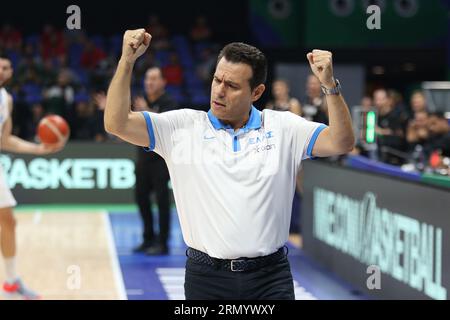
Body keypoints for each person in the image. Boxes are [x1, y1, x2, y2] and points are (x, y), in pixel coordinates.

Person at [104, 29, 354, 300]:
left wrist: (329, 85)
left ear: (256, 92)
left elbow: (341, 142)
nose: (220, 91)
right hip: (206, 279)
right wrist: (126, 61)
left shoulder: (284, 127)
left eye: (232, 86)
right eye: (217, 80)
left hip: (269, 279)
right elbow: (116, 123)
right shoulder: (181, 126)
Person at [0, 55, 65, 299]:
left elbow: (4, 140)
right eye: (0, 66)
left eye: (7, 67)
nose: (3, 70)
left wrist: (38, 149)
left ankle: (11, 282)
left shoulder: (6, 100)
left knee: (8, 221)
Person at [132, 67, 176, 255]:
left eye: (154, 79)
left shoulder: (169, 102)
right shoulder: (139, 100)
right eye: (147, 79)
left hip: (161, 161)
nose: (149, 82)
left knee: (162, 202)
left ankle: (163, 242)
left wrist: (145, 111)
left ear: (163, 82)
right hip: (142, 159)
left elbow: (164, 126)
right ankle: (147, 238)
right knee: (141, 199)